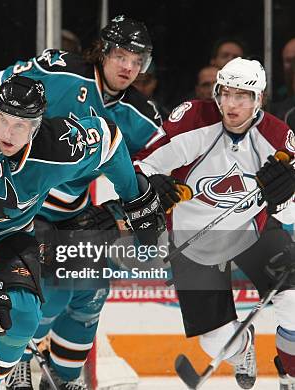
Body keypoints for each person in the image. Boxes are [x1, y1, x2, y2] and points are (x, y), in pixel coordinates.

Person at [0, 15, 165, 389]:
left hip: (75, 213)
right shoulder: (60, 71)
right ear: (103, 51)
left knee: (92, 291)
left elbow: (154, 167)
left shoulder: (141, 115)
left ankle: (62, 378)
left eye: (137, 58)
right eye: (121, 54)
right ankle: (16, 365)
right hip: (22, 208)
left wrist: (130, 206)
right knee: (49, 291)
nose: (128, 66)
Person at [135, 57, 295, 389]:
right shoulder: (194, 119)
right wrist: (151, 187)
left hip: (253, 229)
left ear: (259, 99)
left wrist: (284, 200)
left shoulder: (279, 137)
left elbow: (291, 213)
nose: (231, 104)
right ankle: (243, 347)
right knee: (215, 341)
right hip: (192, 238)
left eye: (243, 96)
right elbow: (142, 167)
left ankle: (290, 375)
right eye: (225, 94)